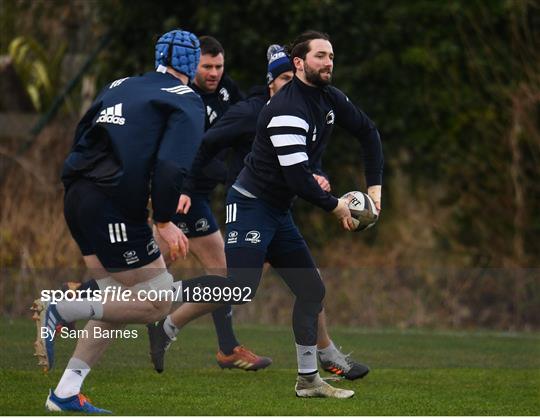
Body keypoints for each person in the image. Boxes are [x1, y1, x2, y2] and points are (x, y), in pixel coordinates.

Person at [140, 30, 383, 398]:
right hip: (251, 204)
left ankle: (308, 379)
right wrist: (337, 207)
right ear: (299, 63)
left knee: (311, 288)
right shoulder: (286, 109)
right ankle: (158, 298)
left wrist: (374, 190)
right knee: (240, 287)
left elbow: (368, 132)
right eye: (320, 56)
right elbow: (297, 177)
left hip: (277, 209)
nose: (329, 62)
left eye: (331, 55)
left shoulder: (329, 99)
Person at [36, 29, 206, 413]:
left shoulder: (121, 84)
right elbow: (170, 164)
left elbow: (83, 134)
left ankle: (65, 393)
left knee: (117, 298)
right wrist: (163, 220)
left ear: (157, 57)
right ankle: (61, 309)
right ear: (192, 64)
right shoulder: (186, 100)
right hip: (111, 202)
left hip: (79, 194)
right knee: (157, 301)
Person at [147, 35, 271, 373]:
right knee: (144, 281)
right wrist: (179, 190)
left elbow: (249, 114)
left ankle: (217, 345)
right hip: (177, 196)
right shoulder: (180, 96)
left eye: (219, 66)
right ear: (192, 65)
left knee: (215, 274)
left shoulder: (227, 91)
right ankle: (70, 305)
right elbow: (176, 150)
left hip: (196, 195)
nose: (214, 73)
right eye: (207, 67)